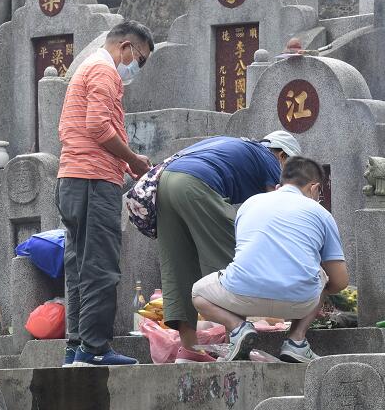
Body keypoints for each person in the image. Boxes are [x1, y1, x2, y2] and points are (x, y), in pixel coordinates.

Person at [154, 131, 303, 363]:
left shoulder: (239, 146)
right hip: (197, 184)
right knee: (234, 261)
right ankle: (233, 344)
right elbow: (277, 210)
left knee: (179, 266)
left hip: (165, 183)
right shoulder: (270, 160)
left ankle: (189, 349)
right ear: (282, 155)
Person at [58, 21, 155, 367]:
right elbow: (98, 127)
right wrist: (132, 158)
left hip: (74, 178)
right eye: (139, 59)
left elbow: (93, 131)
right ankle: (94, 347)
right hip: (92, 183)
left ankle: (75, 348)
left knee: (79, 267)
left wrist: (128, 165)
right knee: (99, 266)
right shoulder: (104, 70)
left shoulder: (89, 68)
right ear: (126, 47)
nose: (136, 67)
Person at [192, 156, 348, 363]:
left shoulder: (250, 204)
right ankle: (297, 340)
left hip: (242, 298)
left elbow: (247, 256)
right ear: (314, 188)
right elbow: (341, 281)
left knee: (197, 292)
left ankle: (238, 328)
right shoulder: (320, 213)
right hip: (300, 302)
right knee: (321, 276)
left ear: (278, 186)